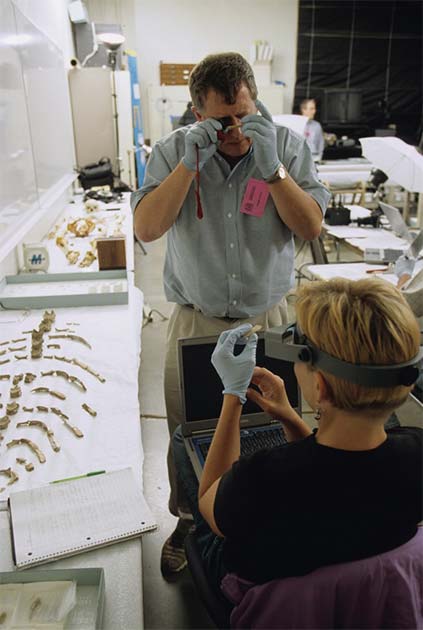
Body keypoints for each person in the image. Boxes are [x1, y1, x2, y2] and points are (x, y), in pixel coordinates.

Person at [131, 52, 330, 577]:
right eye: (223, 120)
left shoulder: (284, 145)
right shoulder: (175, 150)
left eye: (247, 112)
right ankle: (192, 520)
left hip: (272, 316)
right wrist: (187, 167)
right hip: (199, 321)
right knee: (190, 431)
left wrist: (274, 170)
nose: (237, 128)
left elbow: (310, 227)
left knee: (278, 423)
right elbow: (147, 229)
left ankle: (273, 516)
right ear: (198, 114)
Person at [172, 277, 422, 598]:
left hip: (263, 594)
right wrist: (291, 417)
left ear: (320, 388)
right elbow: (339, 471)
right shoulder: (415, 452)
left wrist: (233, 395)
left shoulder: (263, 477)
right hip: (367, 595)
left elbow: (211, 502)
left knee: (182, 439)